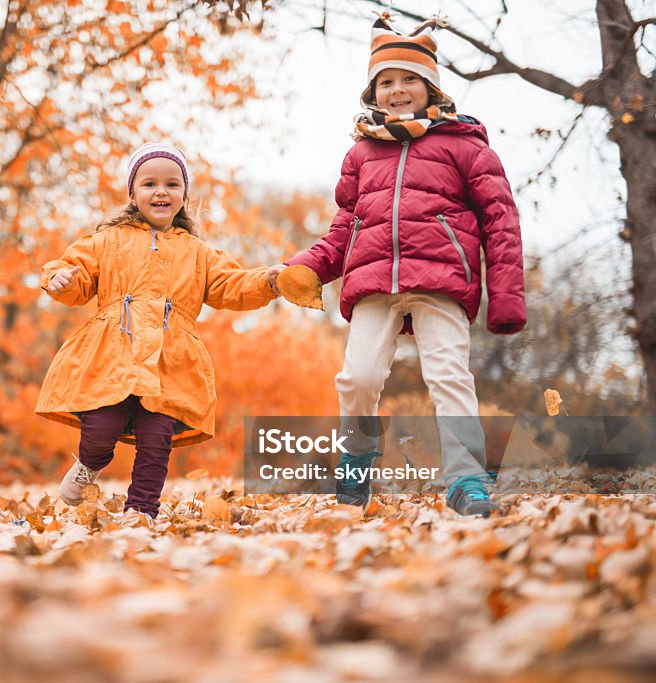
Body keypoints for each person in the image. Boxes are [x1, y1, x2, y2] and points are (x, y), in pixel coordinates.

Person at [270, 13, 526, 517]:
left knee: (449, 374)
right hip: (371, 284)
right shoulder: (362, 152)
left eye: (410, 78)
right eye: (386, 81)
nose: (398, 89)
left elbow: (500, 219)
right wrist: (307, 267)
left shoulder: (464, 145)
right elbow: (347, 226)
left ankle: (466, 480)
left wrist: (506, 294)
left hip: (441, 280)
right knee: (357, 377)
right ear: (372, 92)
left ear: (432, 86)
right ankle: (357, 459)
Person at [36, 142, 280, 524]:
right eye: (149, 184)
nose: (161, 191)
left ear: (184, 195)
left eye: (172, 184)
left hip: (171, 361)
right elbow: (76, 274)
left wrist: (269, 281)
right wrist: (60, 279)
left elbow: (232, 284)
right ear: (133, 193)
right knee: (101, 426)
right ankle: (90, 462)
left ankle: (142, 512)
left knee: (156, 440)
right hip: (112, 354)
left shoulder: (199, 253)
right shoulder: (108, 240)